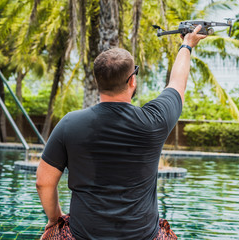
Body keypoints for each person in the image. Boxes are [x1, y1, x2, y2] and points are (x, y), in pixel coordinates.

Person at [36, 25, 206, 240]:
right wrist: (187, 45)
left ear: (97, 81)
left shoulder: (70, 123)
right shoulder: (155, 120)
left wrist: (55, 219)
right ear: (132, 80)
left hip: (82, 235)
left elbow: (43, 182)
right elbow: (177, 84)